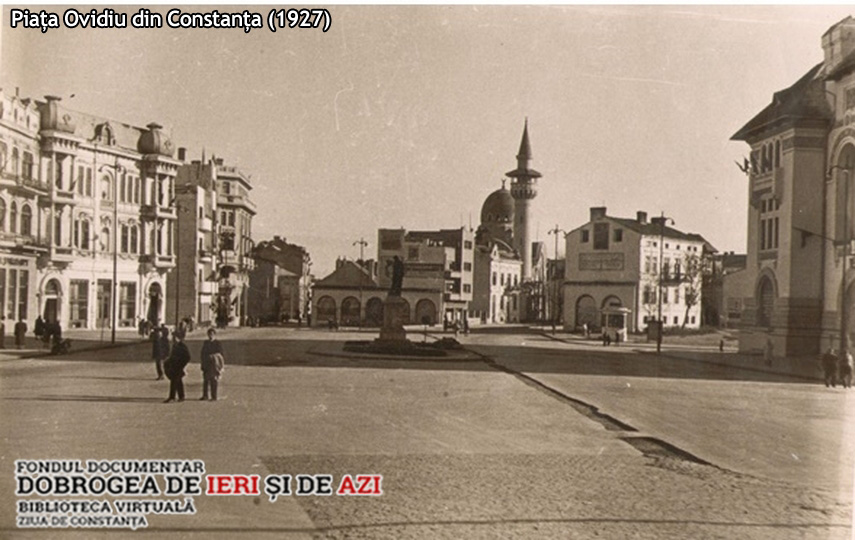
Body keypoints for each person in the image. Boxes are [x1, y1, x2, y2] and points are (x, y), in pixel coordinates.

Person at [163, 331, 190, 403]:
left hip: (178, 366)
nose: (173, 339)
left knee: (174, 381)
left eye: (175, 337)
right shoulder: (175, 345)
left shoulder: (182, 346)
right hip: (174, 366)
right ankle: (181, 396)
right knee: (178, 381)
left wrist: (182, 365)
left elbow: (187, 357)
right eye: (173, 337)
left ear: (179, 338)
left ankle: (172, 397)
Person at [200, 328, 225, 401]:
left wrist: (219, 365)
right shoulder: (206, 343)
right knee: (205, 380)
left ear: (214, 335)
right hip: (206, 364)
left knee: (214, 380)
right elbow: (202, 353)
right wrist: (202, 363)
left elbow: (220, 354)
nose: (210, 336)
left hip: (214, 365)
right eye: (209, 334)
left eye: (212, 334)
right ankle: (205, 395)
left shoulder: (217, 343)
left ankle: (214, 396)